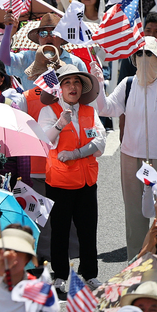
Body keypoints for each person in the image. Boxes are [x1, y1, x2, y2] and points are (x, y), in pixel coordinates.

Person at [97, 37, 157, 256]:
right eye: (140, 54)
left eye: (150, 54)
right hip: (130, 158)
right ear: (134, 59)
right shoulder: (127, 84)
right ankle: (136, 261)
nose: (144, 59)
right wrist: (99, 82)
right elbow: (105, 108)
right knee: (134, 214)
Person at [38, 55, 104, 286]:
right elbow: (45, 142)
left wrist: (77, 153)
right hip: (60, 182)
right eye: (67, 83)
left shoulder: (89, 111)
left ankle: (90, 273)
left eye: (76, 82)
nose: (73, 87)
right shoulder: (49, 111)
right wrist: (60, 124)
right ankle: (61, 275)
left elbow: (100, 145)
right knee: (60, 232)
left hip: (87, 180)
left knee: (88, 230)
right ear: (59, 88)